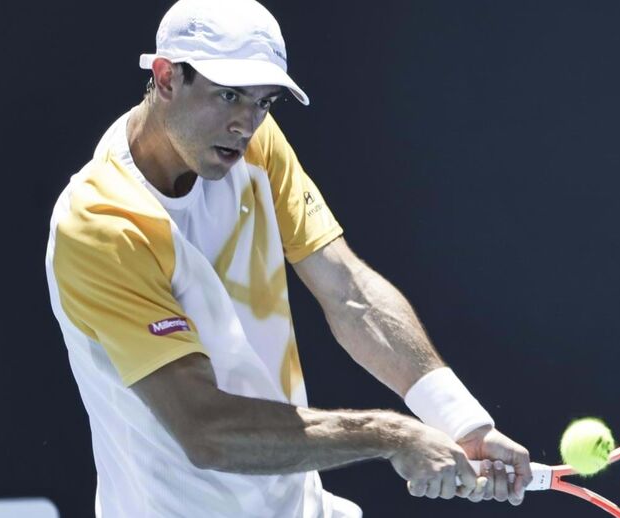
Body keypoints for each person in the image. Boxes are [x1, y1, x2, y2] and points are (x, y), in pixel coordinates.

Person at [44, 0, 532, 516]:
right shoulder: (101, 224)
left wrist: (461, 420)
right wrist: (390, 435)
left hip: (297, 504)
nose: (245, 123)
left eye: (264, 102)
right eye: (229, 95)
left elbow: (349, 292)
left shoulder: (252, 144)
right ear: (166, 78)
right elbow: (206, 431)